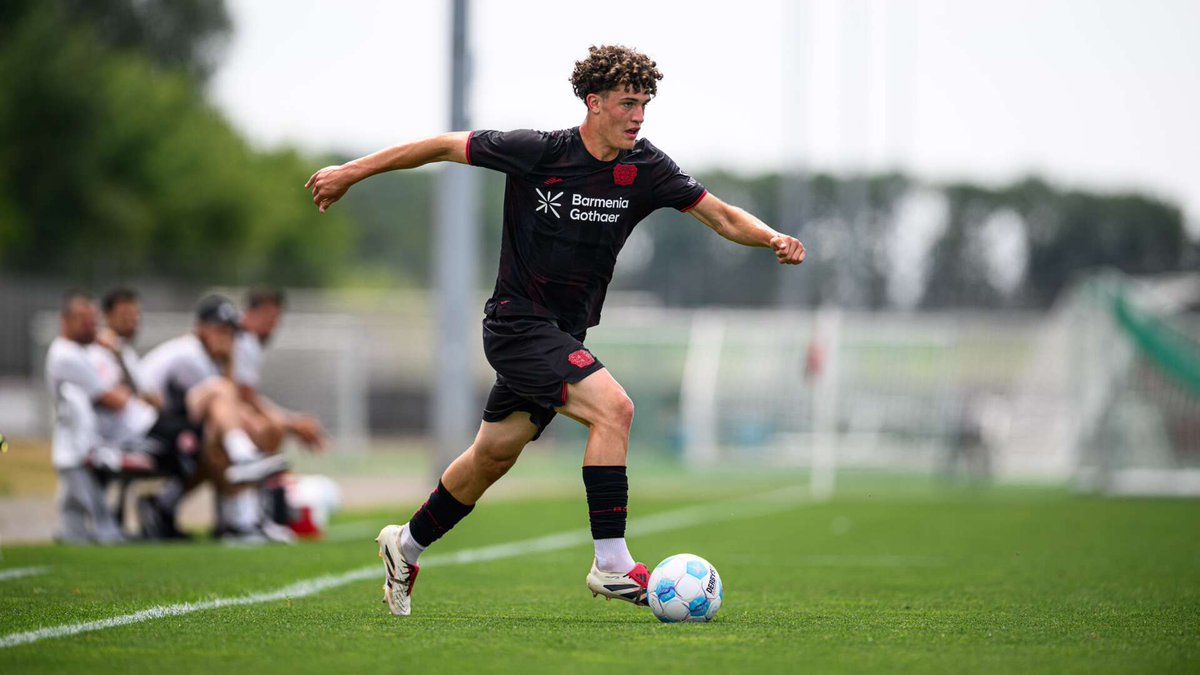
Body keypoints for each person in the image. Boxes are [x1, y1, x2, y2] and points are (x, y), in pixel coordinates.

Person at [306, 44, 806, 616]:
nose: (638, 115)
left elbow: (720, 214)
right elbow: (443, 145)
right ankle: (612, 563)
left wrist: (770, 237)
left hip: (564, 336)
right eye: (626, 103)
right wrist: (350, 172)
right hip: (518, 326)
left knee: (492, 455)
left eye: (644, 103)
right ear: (593, 103)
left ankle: (406, 544)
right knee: (614, 408)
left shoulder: (646, 168)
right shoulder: (538, 152)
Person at [138, 295, 291, 541]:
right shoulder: (189, 354)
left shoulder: (209, 356)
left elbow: (227, 406)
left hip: (173, 423)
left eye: (230, 332)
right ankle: (241, 508)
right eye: (220, 329)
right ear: (200, 328)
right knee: (223, 418)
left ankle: (234, 517)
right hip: (148, 427)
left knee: (221, 441)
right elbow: (223, 397)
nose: (226, 337)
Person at [45, 291, 149, 544]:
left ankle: (79, 535)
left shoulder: (84, 351)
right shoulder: (65, 354)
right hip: (74, 443)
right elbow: (110, 396)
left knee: (80, 501)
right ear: (65, 320)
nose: (90, 325)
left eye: (92, 319)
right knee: (82, 500)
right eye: (82, 318)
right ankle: (89, 535)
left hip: (86, 439)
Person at [232, 287, 326, 454]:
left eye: (275, 321)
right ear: (250, 313)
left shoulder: (243, 339)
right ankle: (265, 475)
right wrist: (293, 423)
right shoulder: (245, 342)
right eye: (268, 319)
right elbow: (245, 397)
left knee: (273, 422)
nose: (272, 327)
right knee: (271, 427)